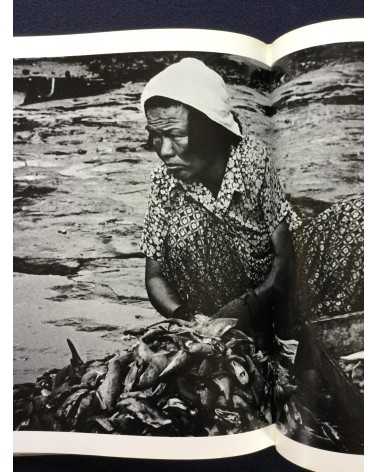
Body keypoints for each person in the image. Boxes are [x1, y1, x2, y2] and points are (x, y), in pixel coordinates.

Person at [139, 57, 363, 350]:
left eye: (176, 135)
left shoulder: (252, 161)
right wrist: (188, 318)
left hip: (278, 289)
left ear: (209, 131)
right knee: (187, 229)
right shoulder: (163, 182)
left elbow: (284, 257)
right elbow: (154, 276)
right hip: (211, 306)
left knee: (360, 215)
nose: (165, 151)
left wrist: (248, 304)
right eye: (156, 137)